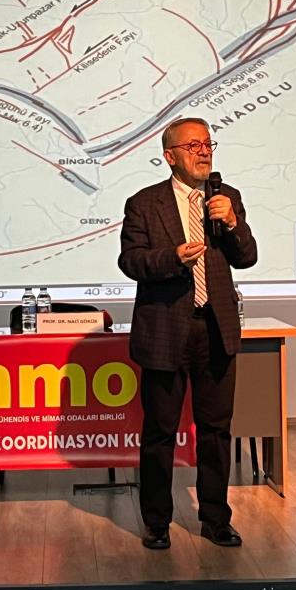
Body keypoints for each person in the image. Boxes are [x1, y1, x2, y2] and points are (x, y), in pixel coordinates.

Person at [118, 116, 258, 549]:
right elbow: (130, 261)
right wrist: (173, 258)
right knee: (160, 432)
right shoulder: (144, 203)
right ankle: (157, 522)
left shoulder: (226, 197)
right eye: (193, 145)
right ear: (170, 156)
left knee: (216, 430)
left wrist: (231, 223)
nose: (204, 151)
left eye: (208, 144)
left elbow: (247, 257)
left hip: (215, 329)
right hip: (165, 329)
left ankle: (216, 519)